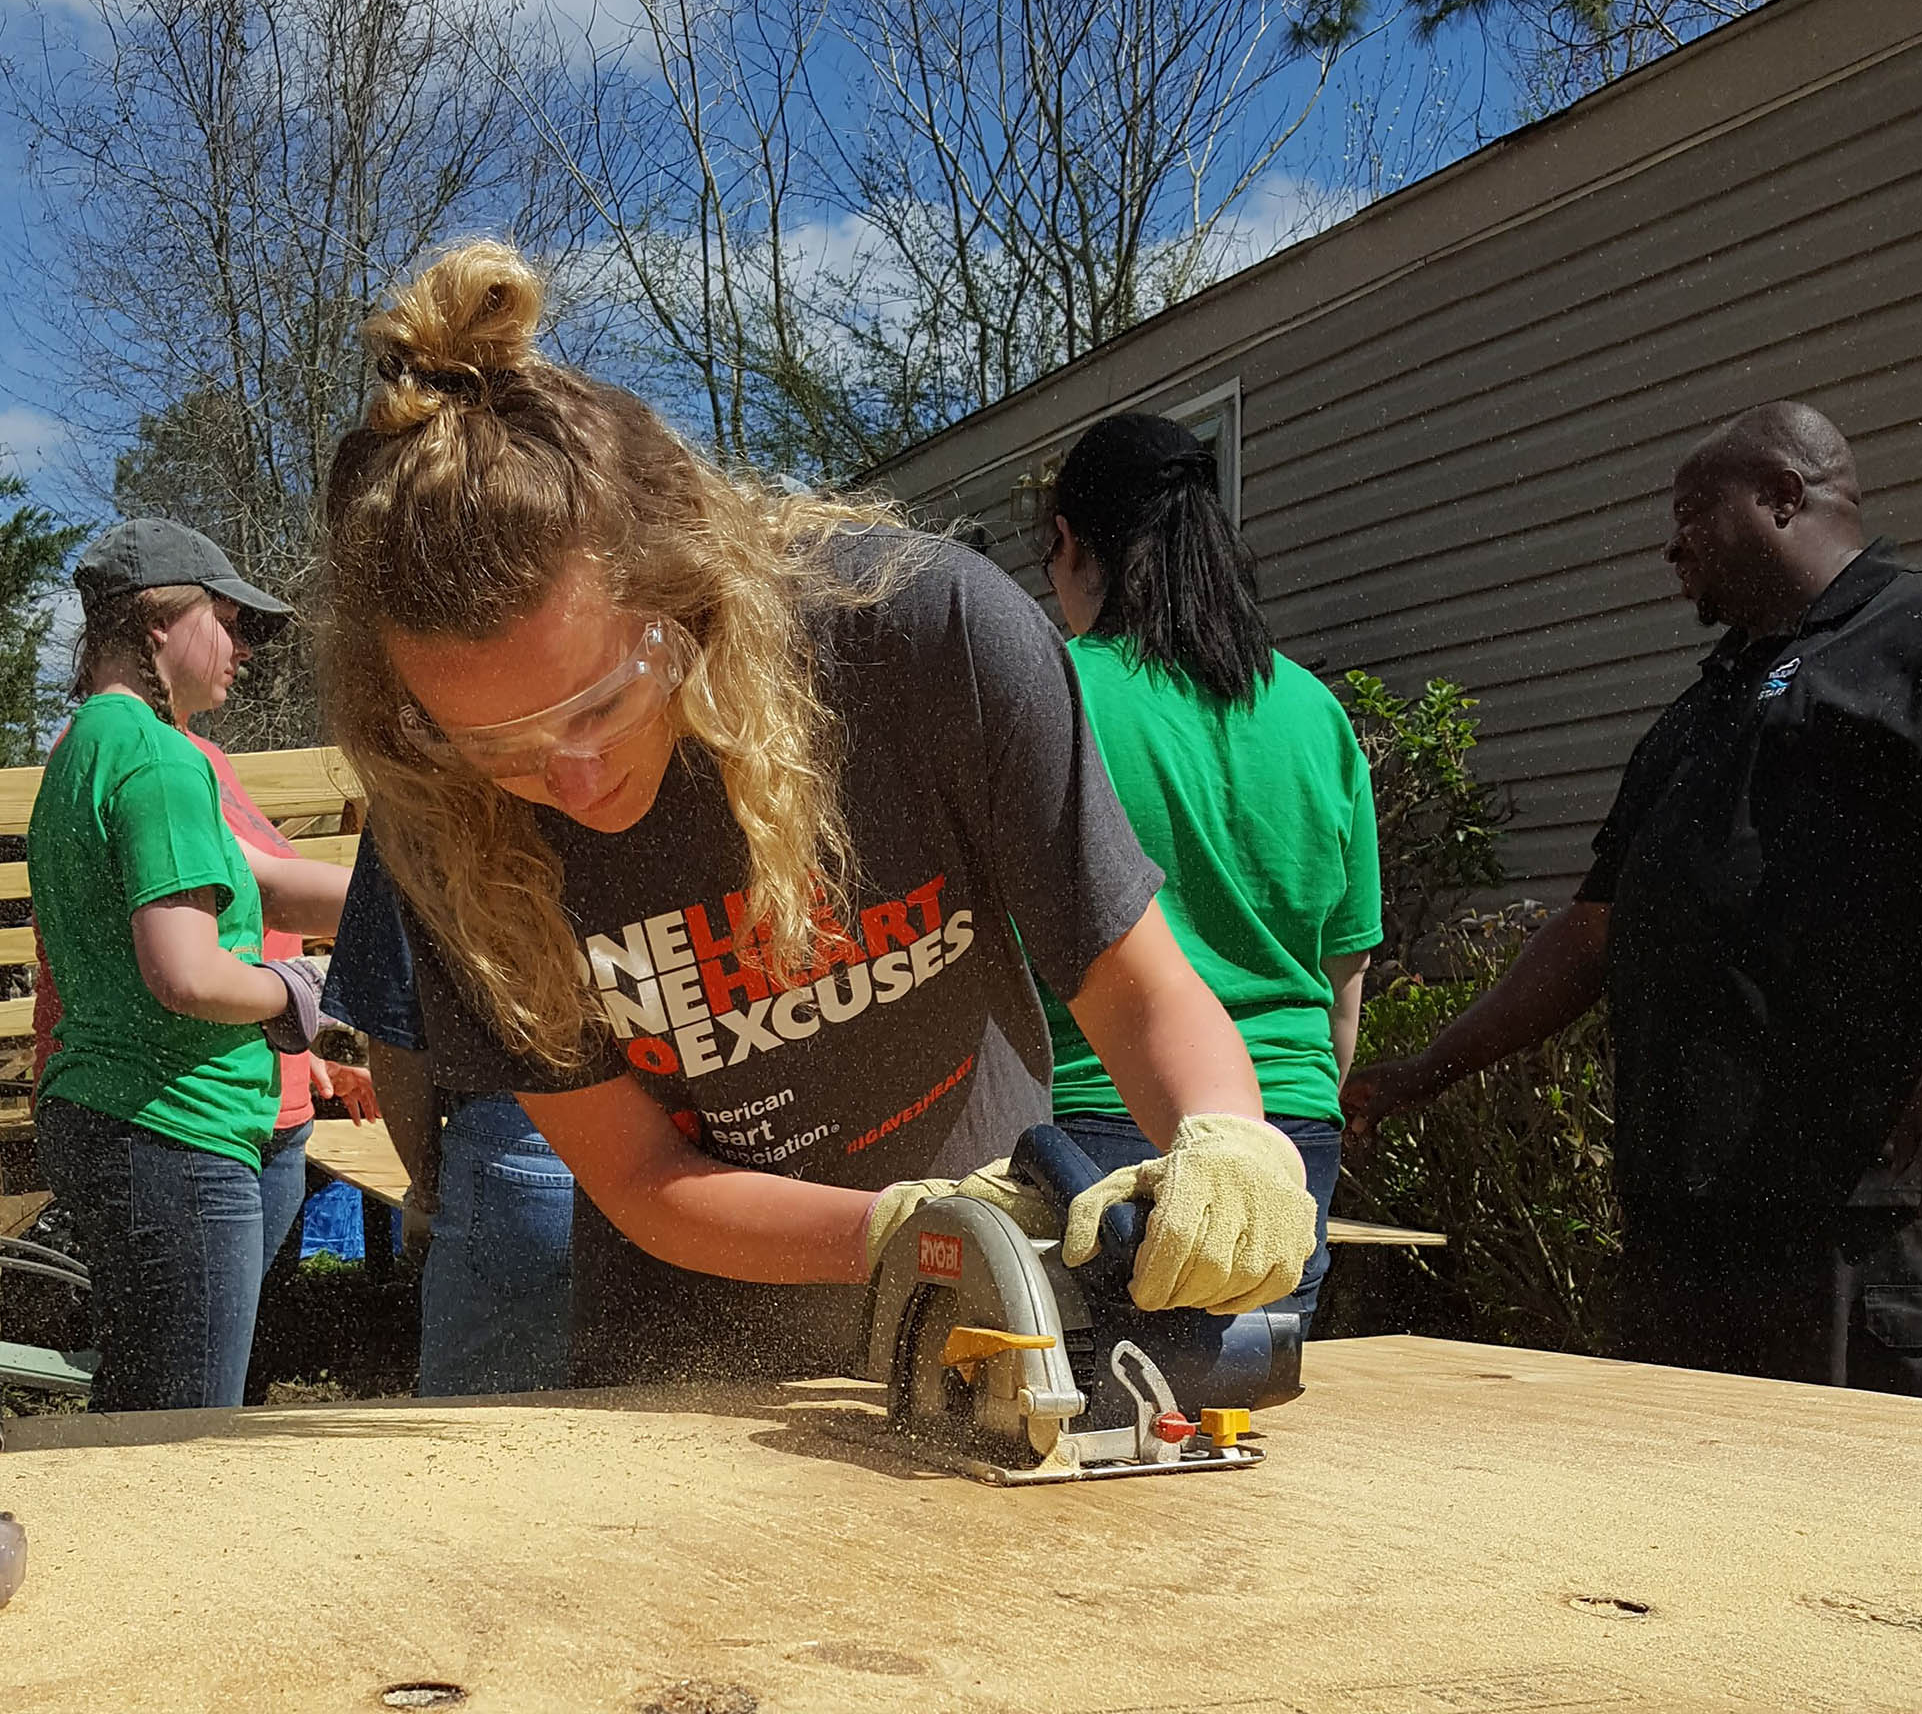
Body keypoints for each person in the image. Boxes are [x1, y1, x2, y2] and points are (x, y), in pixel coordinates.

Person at [316, 239, 1321, 1387]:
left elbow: (1131, 982)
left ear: (687, 588)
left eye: (599, 702)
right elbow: (639, 1175)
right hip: (694, 1365)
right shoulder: (445, 824)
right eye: (498, 744)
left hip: (985, 1332)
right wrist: (898, 1229)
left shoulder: (923, 638)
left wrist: (1229, 1136)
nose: (572, 779)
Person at [1345, 403, 1922, 1399]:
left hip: (1849, 1211)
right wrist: (1420, 1073)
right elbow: (1587, 932)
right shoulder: (1703, 703)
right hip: (1684, 1215)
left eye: (1693, 511)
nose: (1670, 543)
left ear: (1784, 495)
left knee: (1854, 1516)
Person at [1037, 413, 1380, 1320]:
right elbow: (1344, 985)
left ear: (1071, 546)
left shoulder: (1053, 694)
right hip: (1286, 1137)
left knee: (1072, 1435)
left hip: (1093, 1120)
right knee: (1238, 1426)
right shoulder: (1316, 713)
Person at [28, 520, 329, 1410]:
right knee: (184, 1442)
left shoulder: (91, 741)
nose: (241, 649)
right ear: (160, 618)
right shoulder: (160, 760)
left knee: (137, 1410)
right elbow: (188, 976)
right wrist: (294, 989)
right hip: (175, 1132)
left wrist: (415, 903)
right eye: (228, 621)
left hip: (117, 1116)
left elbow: (259, 887)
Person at [322, 831, 575, 1395]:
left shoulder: (415, 796)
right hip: (680, 1132)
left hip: (516, 1142)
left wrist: (427, 1188)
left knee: (480, 1449)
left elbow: (397, 1038)